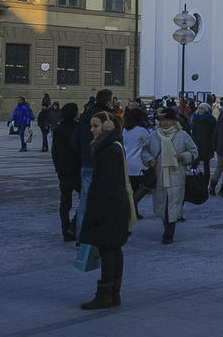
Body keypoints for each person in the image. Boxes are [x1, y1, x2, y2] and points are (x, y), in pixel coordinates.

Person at [78, 110, 133, 310]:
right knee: (114, 248)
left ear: (106, 127)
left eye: (96, 126)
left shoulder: (109, 149)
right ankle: (113, 294)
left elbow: (106, 185)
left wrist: (96, 212)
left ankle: (105, 296)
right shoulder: (112, 146)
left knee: (107, 248)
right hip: (115, 206)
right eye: (91, 126)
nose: (92, 130)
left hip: (108, 207)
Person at [147, 107, 198, 243]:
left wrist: (183, 157)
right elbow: (145, 151)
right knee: (162, 204)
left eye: (168, 120)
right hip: (159, 176)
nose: (165, 123)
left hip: (176, 176)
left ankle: (169, 233)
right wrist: (149, 159)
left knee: (173, 204)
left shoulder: (183, 135)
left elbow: (193, 152)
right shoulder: (153, 135)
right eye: (163, 120)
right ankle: (166, 227)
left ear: (174, 121)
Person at [71, 89, 113, 240]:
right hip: (102, 164)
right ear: (109, 101)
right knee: (105, 200)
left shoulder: (85, 116)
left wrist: (83, 154)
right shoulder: (108, 118)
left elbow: (74, 141)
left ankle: (81, 237)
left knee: (85, 200)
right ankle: (100, 234)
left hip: (86, 162)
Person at [51, 103, 82, 241]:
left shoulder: (58, 129)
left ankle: (65, 229)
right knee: (85, 198)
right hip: (77, 169)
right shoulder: (77, 128)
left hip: (63, 170)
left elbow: (54, 151)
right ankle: (74, 225)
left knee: (64, 201)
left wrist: (58, 167)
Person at [122, 107, 152, 218]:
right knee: (147, 185)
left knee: (133, 188)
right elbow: (149, 144)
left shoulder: (125, 129)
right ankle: (132, 206)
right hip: (139, 162)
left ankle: (134, 211)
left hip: (127, 162)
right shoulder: (141, 130)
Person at [190, 102, 216, 184]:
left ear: (206, 110)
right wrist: (193, 142)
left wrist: (212, 143)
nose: (200, 110)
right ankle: (196, 176)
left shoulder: (211, 119)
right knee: (194, 164)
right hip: (197, 144)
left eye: (202, 108)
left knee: (206, 165)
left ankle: (206, 181)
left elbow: (213, 133)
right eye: (199, 108)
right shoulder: (195, 119)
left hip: (207, 144)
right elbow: (193, 132)